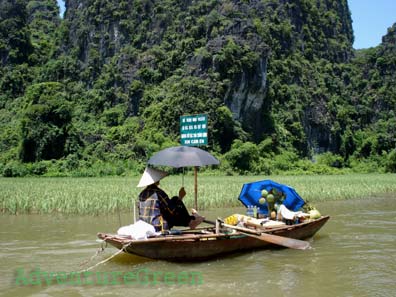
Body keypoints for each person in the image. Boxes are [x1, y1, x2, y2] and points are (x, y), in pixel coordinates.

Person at [137, 167, 204, 232]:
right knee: (176, 200)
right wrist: (180, 197)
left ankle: (191, 219)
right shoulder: (158, 193)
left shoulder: (141, 194)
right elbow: (173, 211)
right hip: (158, 226)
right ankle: (191, 221)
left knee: (174, 201)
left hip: (143, 225)